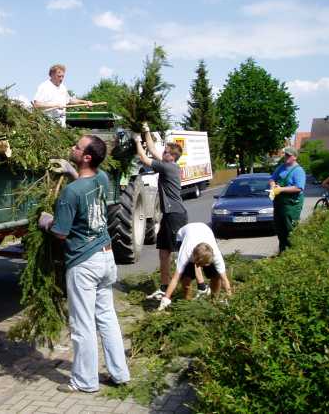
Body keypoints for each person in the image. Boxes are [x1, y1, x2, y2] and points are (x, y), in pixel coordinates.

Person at [37, 135, 130, 393]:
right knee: (107, 318)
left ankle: (84, 382)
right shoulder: (102, 178)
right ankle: (120, 374)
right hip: (106, 256)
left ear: (87, 157)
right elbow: (85, 187)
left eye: (77, 147)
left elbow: (61, 232)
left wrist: (46, 222)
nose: (72, 148)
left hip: (84, 262)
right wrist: (70, 171)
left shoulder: (70, 193)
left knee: (82, 325)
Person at [133, 122, 193, 300]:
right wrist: (146, 131)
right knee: (164, 252)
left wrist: (137, 140)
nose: (162, 153)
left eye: (165, 152)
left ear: (171, 156)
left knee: (181, 252)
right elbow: (151, 149)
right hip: (169, 214)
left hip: (175, 214)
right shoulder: (169, 164)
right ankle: (164, 286)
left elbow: (145, 158)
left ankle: (196, 285)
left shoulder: (168, 167)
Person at [157, 223, 233, 311]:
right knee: (186, 278)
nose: (203, 267)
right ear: (195, 259)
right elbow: (175, 278)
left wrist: (230, 299)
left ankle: (214, 299)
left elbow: (224, 279)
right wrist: (165, 299)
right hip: (183, 235)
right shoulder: (186, 253)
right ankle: (187, 304)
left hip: (205, 230)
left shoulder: (216, 255)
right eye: (201, 265)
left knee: (216, 276)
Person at [269, 146, 306, 253]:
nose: (286, 157)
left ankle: (293, 253)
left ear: (294, 157)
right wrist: (272, 186)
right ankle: (282, 252)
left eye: (288, 155)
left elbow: (298, 188)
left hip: (291, 205)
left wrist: (280, 189)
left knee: (290, 229)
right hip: (279, 203)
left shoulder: (299, 171)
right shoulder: (281, 167)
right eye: (285, 154)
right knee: (279, 229)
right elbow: (272, 178)